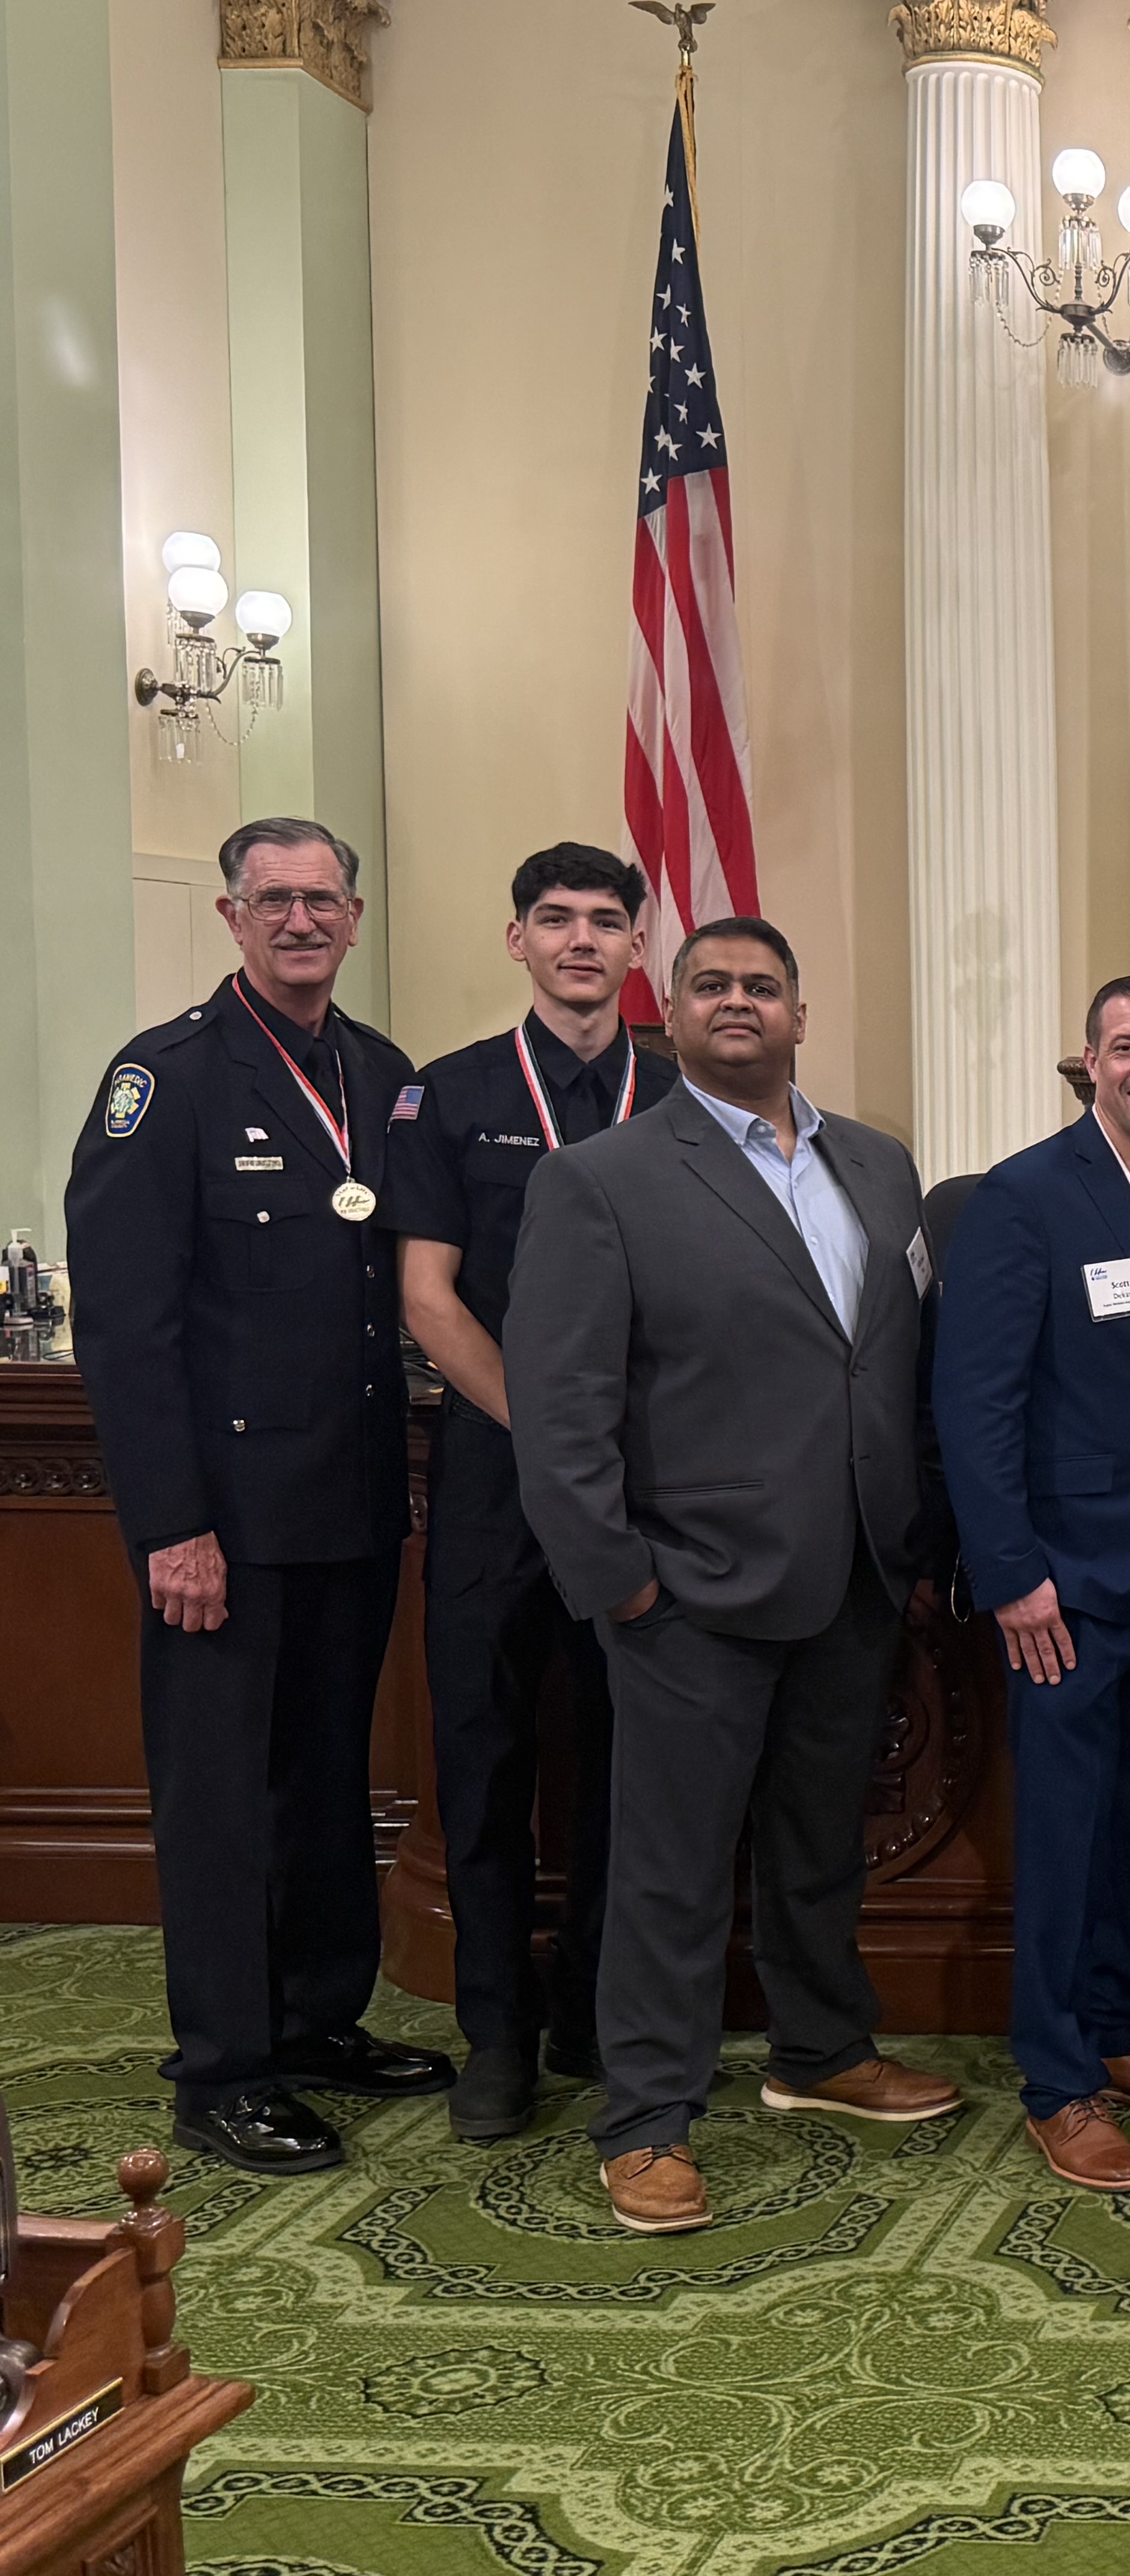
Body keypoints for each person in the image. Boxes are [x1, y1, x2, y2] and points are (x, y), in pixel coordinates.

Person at [505, 916, 959, 2234]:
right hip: (689, 1590)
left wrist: (913, 1540)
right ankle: (648, 2118)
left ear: (802, 1015)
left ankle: (822, 2054)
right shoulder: (603, 1180)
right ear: (674, 1012)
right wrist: (621, 1583)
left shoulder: (879, 1166)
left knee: (823, 1842)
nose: (740, 1003)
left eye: (765, 985)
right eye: (713, 985)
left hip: (857, 1575)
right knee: (672, 1865)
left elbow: (887, 1363)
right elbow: (562, 1406)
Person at [65, 817, 455, 2174]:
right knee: (223, 1793)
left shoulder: (382, 1071)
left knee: (327, 1782)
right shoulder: (163, 1079)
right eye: (273, 901)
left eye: (323, 900)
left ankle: (314, 2022)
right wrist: (170, 1524)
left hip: (346, 1504)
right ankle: (224, 2067)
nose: (301, 922)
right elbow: (124, 1328)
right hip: (220, 1521)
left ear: (355, 917)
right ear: (232, 918)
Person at [935, 974, 1130, 2190]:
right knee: (1064, 1839)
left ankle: (1122, 2039)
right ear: (1089, 1062)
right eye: (1127, 1048)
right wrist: (1011, 1574)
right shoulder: (1024, 1198)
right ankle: (1057, 2084)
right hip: (1060, 1590)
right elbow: (977, 1405)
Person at [391, 844, 670, 2142]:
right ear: (516, 941)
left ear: (636, 946)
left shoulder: (677, 1095)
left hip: (648, 1491)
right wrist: (555, 1439)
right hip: (502, 1490)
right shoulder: (448, 1096)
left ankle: (599, 2018)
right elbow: (428, 1299)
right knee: (487, 1761)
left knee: (632, 1765)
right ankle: (495, 2037)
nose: (579, 941)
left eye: (605, 922)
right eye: (554, 920)